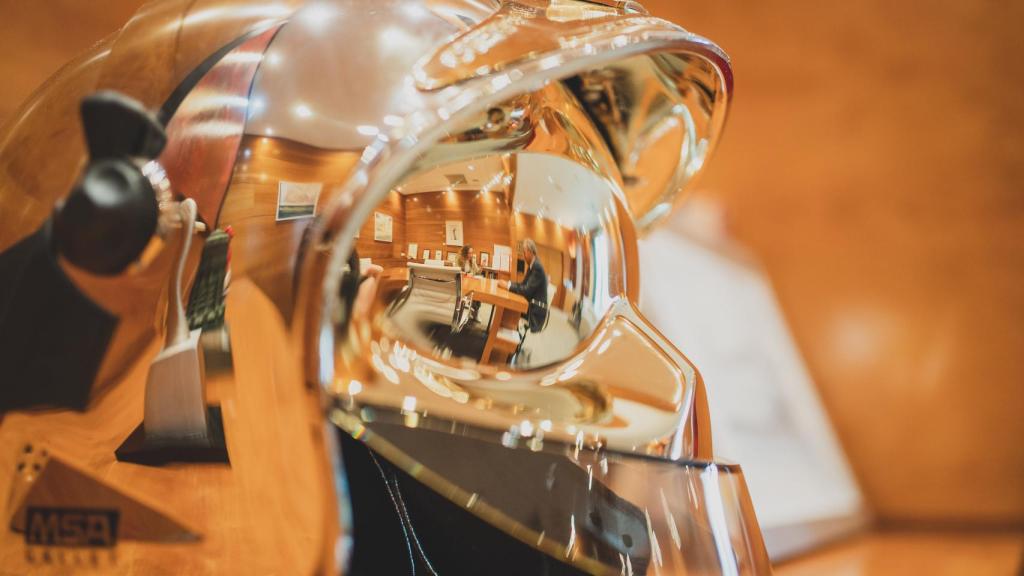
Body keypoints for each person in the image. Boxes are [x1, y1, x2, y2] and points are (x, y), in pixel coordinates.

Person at [500, 238, 548, 332]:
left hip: (534, 311)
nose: (524, 255)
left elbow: (526, 290)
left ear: (530, 252)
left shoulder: (537, 267)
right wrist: (508, 283)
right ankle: (507, 335)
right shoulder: (532, 266)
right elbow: (523, 284)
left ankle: (509, 337)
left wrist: (508, 286)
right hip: (531, 305)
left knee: (510, 305)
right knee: (509, 304)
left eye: (524, 252)